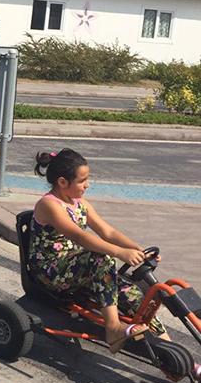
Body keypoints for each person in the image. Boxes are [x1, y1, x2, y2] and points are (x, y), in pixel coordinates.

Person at [29, 148, 168, 352]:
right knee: (101, 257)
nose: (88, 185)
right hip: (52, 271)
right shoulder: (49, 205)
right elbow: (80, 236)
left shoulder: (79, 203)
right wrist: (119, 253)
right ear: (62, 182)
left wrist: (137, 249)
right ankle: (113, 328)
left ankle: (178, 356)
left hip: (79, 268)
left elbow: (107, 231)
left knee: (136, 298)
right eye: (82, 180)